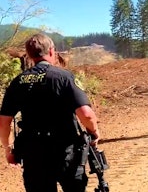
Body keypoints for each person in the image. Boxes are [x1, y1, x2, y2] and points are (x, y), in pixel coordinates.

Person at [0, 33, 100, 192]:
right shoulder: (64, 77)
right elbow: (86, 114)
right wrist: (94, 132)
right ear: (52, 51)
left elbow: (3, 122)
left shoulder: (18, 81)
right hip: (65, 150)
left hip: (33, 153)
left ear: (29, 55)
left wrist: (8, 149)